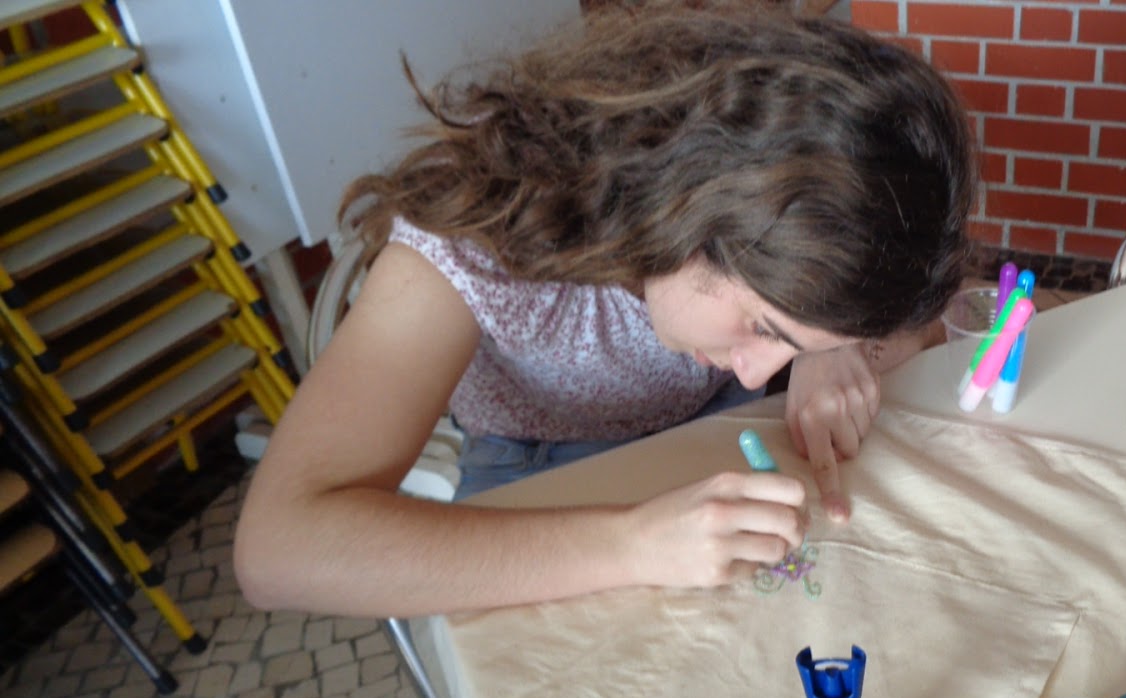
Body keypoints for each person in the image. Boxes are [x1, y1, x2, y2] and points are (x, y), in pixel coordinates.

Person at [234, 0, 975, 616]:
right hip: (536, 465)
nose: (757, 372)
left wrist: (831, 345)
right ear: (691, 209)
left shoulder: (761, 247)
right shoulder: (467, 245)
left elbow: (918, 316)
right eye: (762, 327)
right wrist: (633, 545)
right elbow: (279, 549)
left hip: (704, 424)